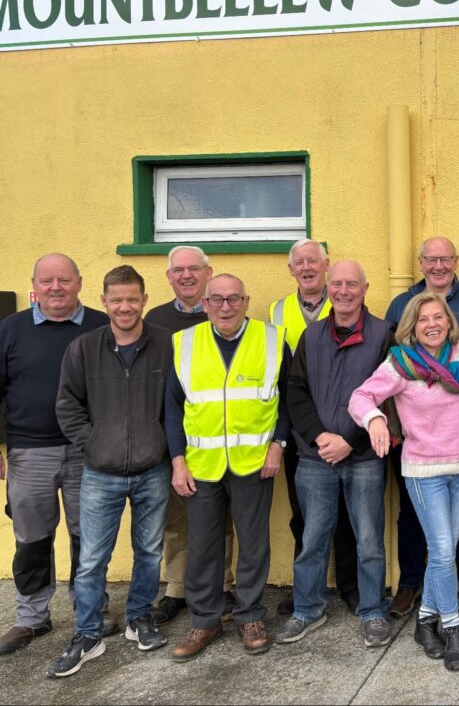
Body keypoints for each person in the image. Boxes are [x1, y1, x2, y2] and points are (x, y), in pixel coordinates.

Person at [47, 266, 172, 677]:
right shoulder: (84, 349)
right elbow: (67, 405)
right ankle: (87, 634)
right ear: (103, 301)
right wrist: (93, 443)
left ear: (144, 300)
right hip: (100, 472)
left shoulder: (165, 346)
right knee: (92, 558)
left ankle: (140, 618)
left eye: (132, 299)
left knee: (150, 553)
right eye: (116, 299)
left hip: (152, 469)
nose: (124, 307)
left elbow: (178, 403)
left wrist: (167, 449)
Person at [165, 274, 290, 660]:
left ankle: (250, 616)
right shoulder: (184, 343)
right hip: (201, 466)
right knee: (203, 546)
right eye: (216, 299)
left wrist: (278, 445)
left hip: (254, 461)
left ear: (246, 300)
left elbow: (288, 398)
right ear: (205, 304)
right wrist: (177, 460)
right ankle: (204, 620)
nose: (225, 306)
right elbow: (171, 407)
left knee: (253, 544)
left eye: (233, 298)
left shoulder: (272, 339)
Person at [350, 292, 459, 672]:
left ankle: (424, 620)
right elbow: (360, 397)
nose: (432, 324)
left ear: (449, 320)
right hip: (424, 471)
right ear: (412, 326)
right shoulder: (400, 363)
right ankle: (452, 627)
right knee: (441, 552)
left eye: (439, 317)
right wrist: (375, 419)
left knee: (446, 549)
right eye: (424, 319)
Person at [280, 260, 395, 648]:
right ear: (329, 289)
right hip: (315, 458)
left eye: (352, 284)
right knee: (312, 539)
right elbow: (295, 392)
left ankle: (374, 611)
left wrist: (351, 440)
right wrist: (320, 437)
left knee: (368, 540)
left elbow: (391, 399)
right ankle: (307, 610)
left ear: (365, 288)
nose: (344, 291)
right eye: (338, 284)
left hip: (363, 458)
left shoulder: (383, 335)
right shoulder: (311, 337)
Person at [0, 254, 110, 655]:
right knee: (32, 539)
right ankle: (31, 617)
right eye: (47, 281)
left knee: (89, 537)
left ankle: (91, 612)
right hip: (30, 452)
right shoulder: (10, 330)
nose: (56, 287)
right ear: (35, 284)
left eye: (64, 280)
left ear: (80, 282)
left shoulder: (102, 326)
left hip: (88, 453)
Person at [384, 237, 459, 621]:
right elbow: (391, 364)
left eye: (446, 258)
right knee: (412, 516)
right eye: (431, 259)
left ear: (456, 261)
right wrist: (386, 424)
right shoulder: (401, 303)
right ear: (421, 263)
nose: (439, 265)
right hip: (415, 440)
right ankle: (411, 583)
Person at [144, 245, 236, 627]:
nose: (186, 276)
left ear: (208, 272)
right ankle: (177, 589)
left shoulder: (226, 313)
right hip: (174, 436)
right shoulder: (156, 319)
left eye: (194, 269)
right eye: (178, 270)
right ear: (168, 276)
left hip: (221, 439)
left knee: (224, 518)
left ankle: (225, 586)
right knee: (177, 518)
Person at [269, 239, 359, 617]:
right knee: (303, 514)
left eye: (313, 261)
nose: (307, 268)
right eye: (299, 263)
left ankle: (352, 586)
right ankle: (311, 587)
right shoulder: (278, 310)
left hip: (343, 427)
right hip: (299, 427)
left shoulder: (343, 302)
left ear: (326, 265)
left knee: (348, 515)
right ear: (291, 270)